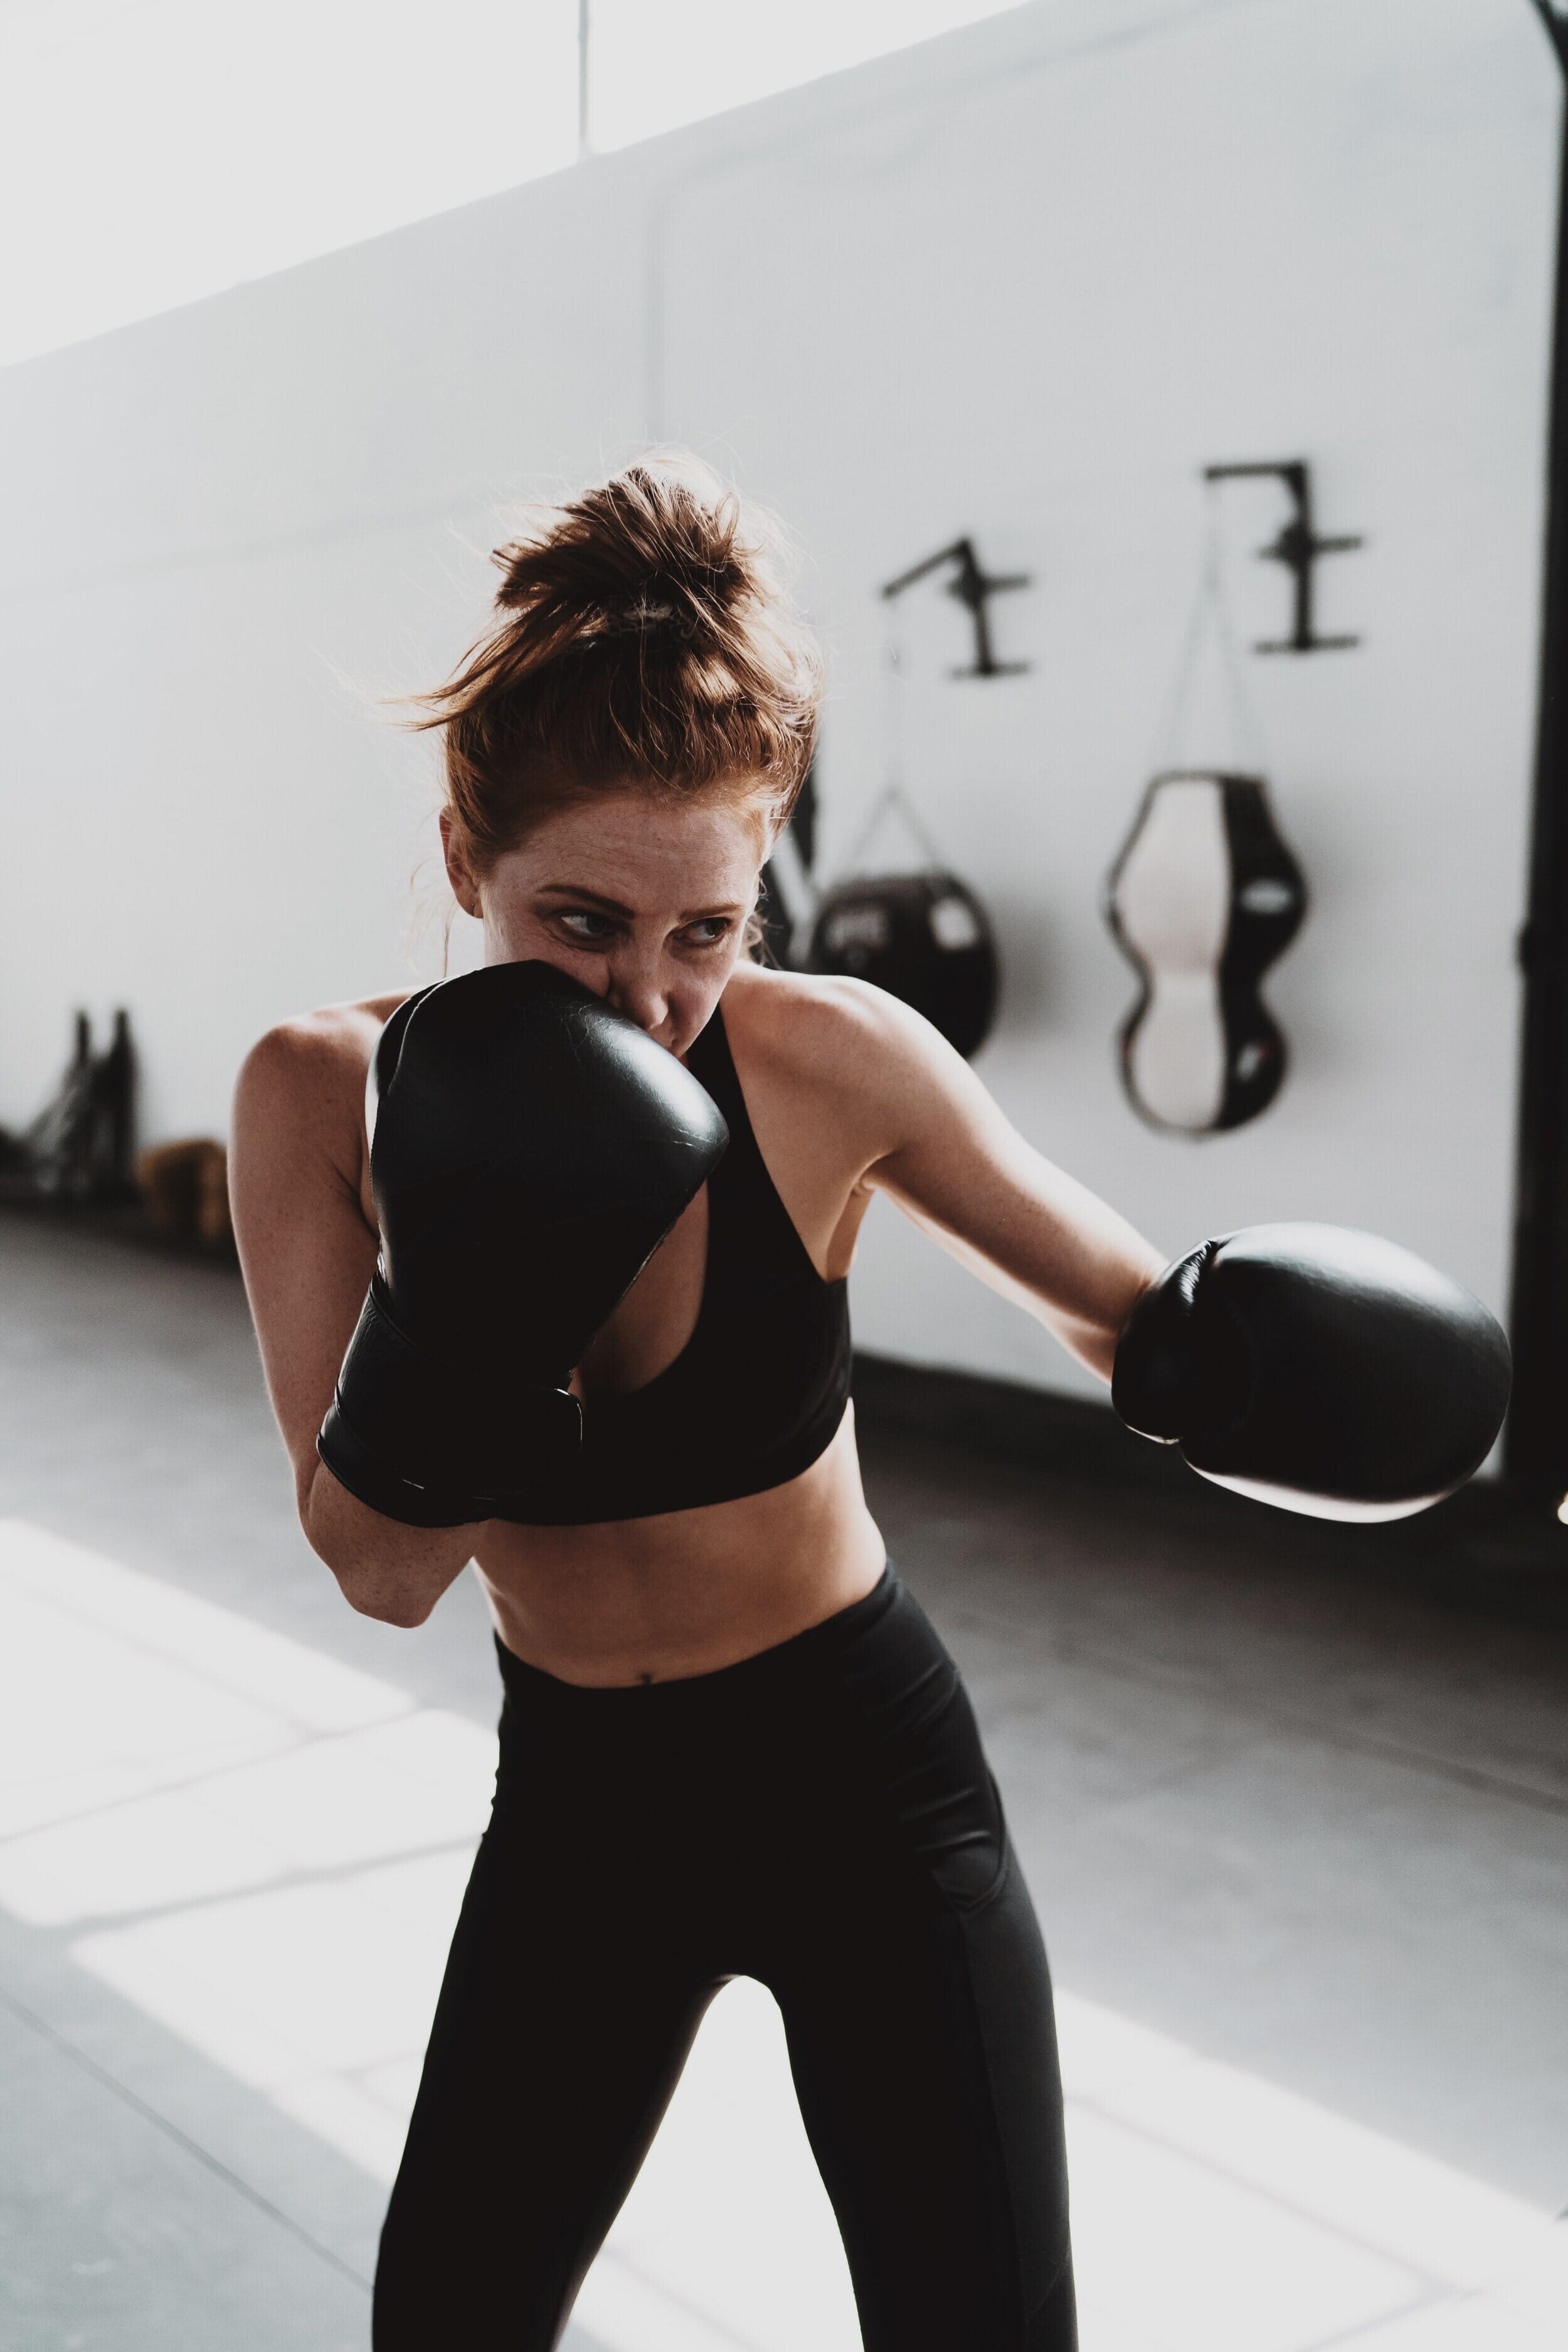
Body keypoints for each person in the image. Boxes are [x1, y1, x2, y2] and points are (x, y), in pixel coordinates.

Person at [229, 458, 1506, 2352]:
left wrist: (1281, 1374)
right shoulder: (320, 1098)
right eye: (578, 921)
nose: (649, 998)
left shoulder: (833, 1059)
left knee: (979, 2325)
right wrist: (478, 1275)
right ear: (457, 861)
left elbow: (1127, 1317)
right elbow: (378, 1567)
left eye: (707, 931)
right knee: (448, 2322)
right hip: (582, 1803)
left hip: (865, 1780)